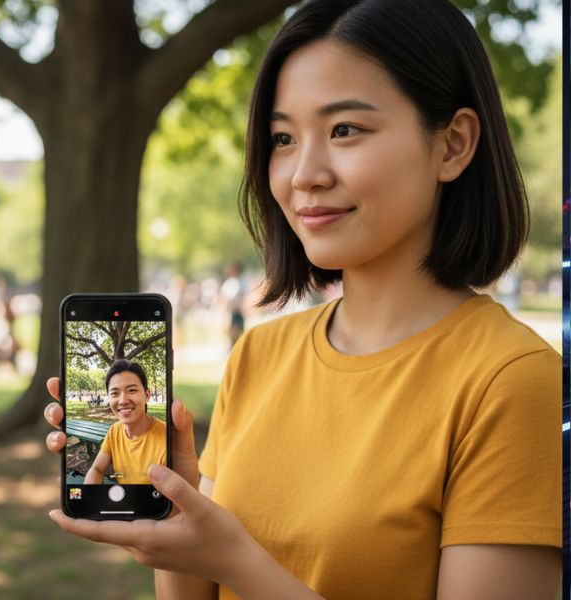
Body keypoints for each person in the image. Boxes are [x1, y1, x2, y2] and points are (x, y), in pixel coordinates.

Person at [43, 0, 561, 597]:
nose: (302, 174)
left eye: (345, 129)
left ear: (453, 145)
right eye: (283, 138)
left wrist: (239, 563)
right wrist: (176, 519)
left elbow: (236, 570)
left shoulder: (513, 380)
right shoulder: (257, 356)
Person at [83, 359, 167, 485]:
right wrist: (88, 496)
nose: (122, 400)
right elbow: (97, 469)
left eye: (132, 390)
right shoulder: (114, 430)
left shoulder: (168, 438)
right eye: (115, 393)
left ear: (147, 395)